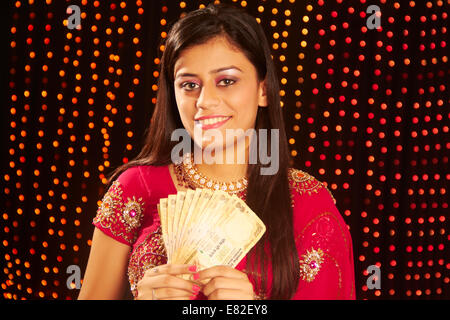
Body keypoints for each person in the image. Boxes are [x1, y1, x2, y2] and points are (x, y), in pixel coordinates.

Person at [78, 3, 355, 300]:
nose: (204, 100)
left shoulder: (308, 202)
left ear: (263, 90)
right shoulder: (135, 187)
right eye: (189, 84)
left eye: (226, 81)